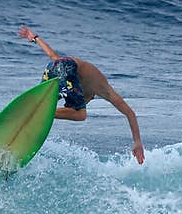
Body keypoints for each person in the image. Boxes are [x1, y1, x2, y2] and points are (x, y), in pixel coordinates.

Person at [17, 25, 145, 165]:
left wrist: (34, 37)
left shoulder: (78, 82)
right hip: (67, 68)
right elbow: (130, 113)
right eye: (86, 101)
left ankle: (26, 121)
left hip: (53, 66)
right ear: (91, 97)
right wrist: (137, 142)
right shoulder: (104, 89)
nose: (83, 101)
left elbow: (53, 56)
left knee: (43, 102)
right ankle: (42, 113)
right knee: (80, 114)